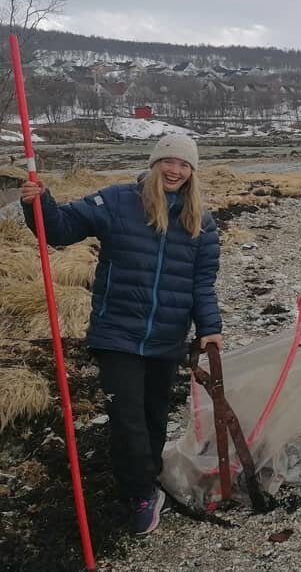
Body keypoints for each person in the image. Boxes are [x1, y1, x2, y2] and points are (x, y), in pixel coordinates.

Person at [21, 134, 222, 536]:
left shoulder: (201, 222)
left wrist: (210, 328)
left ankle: (147, 478)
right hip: (117, 333)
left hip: (167, 336)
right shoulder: (116, 202)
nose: (175, 170)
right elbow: (59, 230)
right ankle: (140, 493)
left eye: (184, 165)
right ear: (154, 163)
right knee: (126, 417)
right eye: (168, 161)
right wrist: (38, 202)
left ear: (192, 172)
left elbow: (202, 285)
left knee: (152, 416)